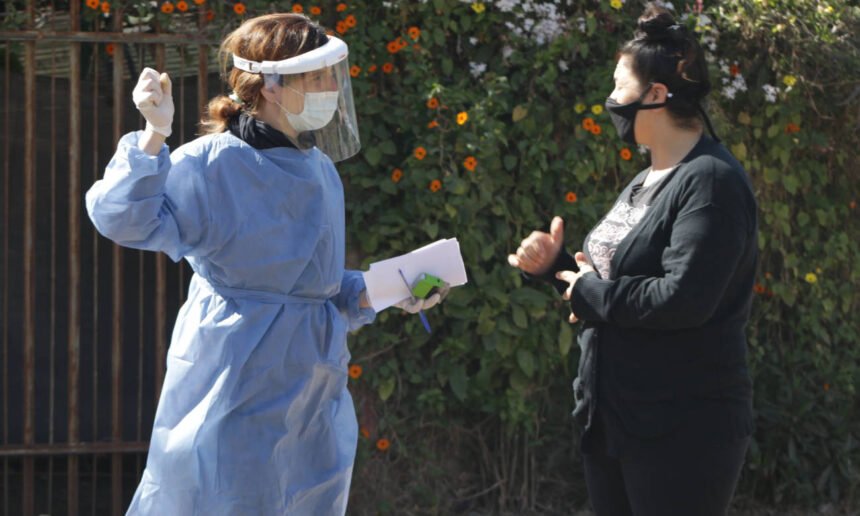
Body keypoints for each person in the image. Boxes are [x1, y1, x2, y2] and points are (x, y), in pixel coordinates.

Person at [86, 13, 442, 515]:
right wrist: (153, 135)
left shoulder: (319, 170)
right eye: (316, 77)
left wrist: (391, 287)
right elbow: (120, 217)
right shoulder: (211, 163)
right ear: (272, 87)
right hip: (232, 383)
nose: (330, 89)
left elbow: (316, 286)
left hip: (311, 399)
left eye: (329, 76)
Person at [508, 4, 757, 515]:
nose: (611, 99)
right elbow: (611, 289)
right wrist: (557, 270)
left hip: (681, 429)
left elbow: (682, 298)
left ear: (657, 95)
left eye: (619, 87)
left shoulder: (710, 182)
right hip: (616, 419)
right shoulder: (645, 180)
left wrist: (590, 291)